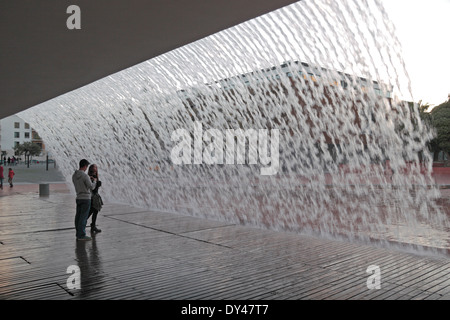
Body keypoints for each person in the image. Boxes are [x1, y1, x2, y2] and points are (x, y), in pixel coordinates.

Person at [72, 159, 97, 241]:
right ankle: (82, 235)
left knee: (78, 217)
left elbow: (80, 182)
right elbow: (91, 187)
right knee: (83, 217)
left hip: (78, 197)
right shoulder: (85, 176)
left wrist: (88, 178)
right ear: (85, 166)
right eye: (87, 166)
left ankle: (78, 233)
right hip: (86, 198)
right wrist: (94, 181)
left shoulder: (74, 175)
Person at [87, 164, 103, 233]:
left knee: (94, 211)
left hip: (95, 196)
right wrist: (96, 181)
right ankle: (90, 225)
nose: (96, 168)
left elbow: (98, 184)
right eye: (95, 167)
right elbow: (93, 187)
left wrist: (97, 181)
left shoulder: (94, 176)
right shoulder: (91, 177)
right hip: (93, 197)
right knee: (91, 211)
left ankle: (93, 226)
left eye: (96, 167)